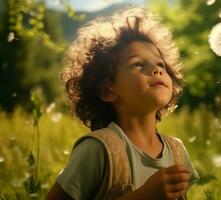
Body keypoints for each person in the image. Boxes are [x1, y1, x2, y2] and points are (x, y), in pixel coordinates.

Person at [46, 6, 199, 200]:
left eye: (160, 64)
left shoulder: (177, 152)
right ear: (109, 90)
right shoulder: (98, 149)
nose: (156, 70)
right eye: (138, 64)